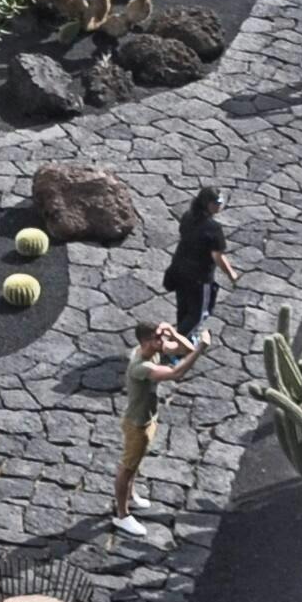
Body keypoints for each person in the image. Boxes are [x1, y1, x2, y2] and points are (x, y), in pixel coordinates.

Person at [109, 316, 205, 539]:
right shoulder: (140, 366)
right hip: (137, 425)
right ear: (144, 342)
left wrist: (172, 332)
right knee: (127, 467)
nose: (161, 342)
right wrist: (200, 350)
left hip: (147, 419)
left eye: (161, 337)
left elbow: (184, 349)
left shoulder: (152, 349)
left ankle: (131, 495)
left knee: (134, 464)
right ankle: (122, 515)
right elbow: (176, 373)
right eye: (156, 339)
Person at [164, 190, 233, 341]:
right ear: (209, 205)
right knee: (198, 314)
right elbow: (217, 256)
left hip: (179, 270)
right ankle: (175, 345)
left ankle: (185, 339)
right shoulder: (214, 228)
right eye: (218, 203)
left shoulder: (187, 217)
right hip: (199, 277)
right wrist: (231, 275)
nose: (220, 206)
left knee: (183, 309)